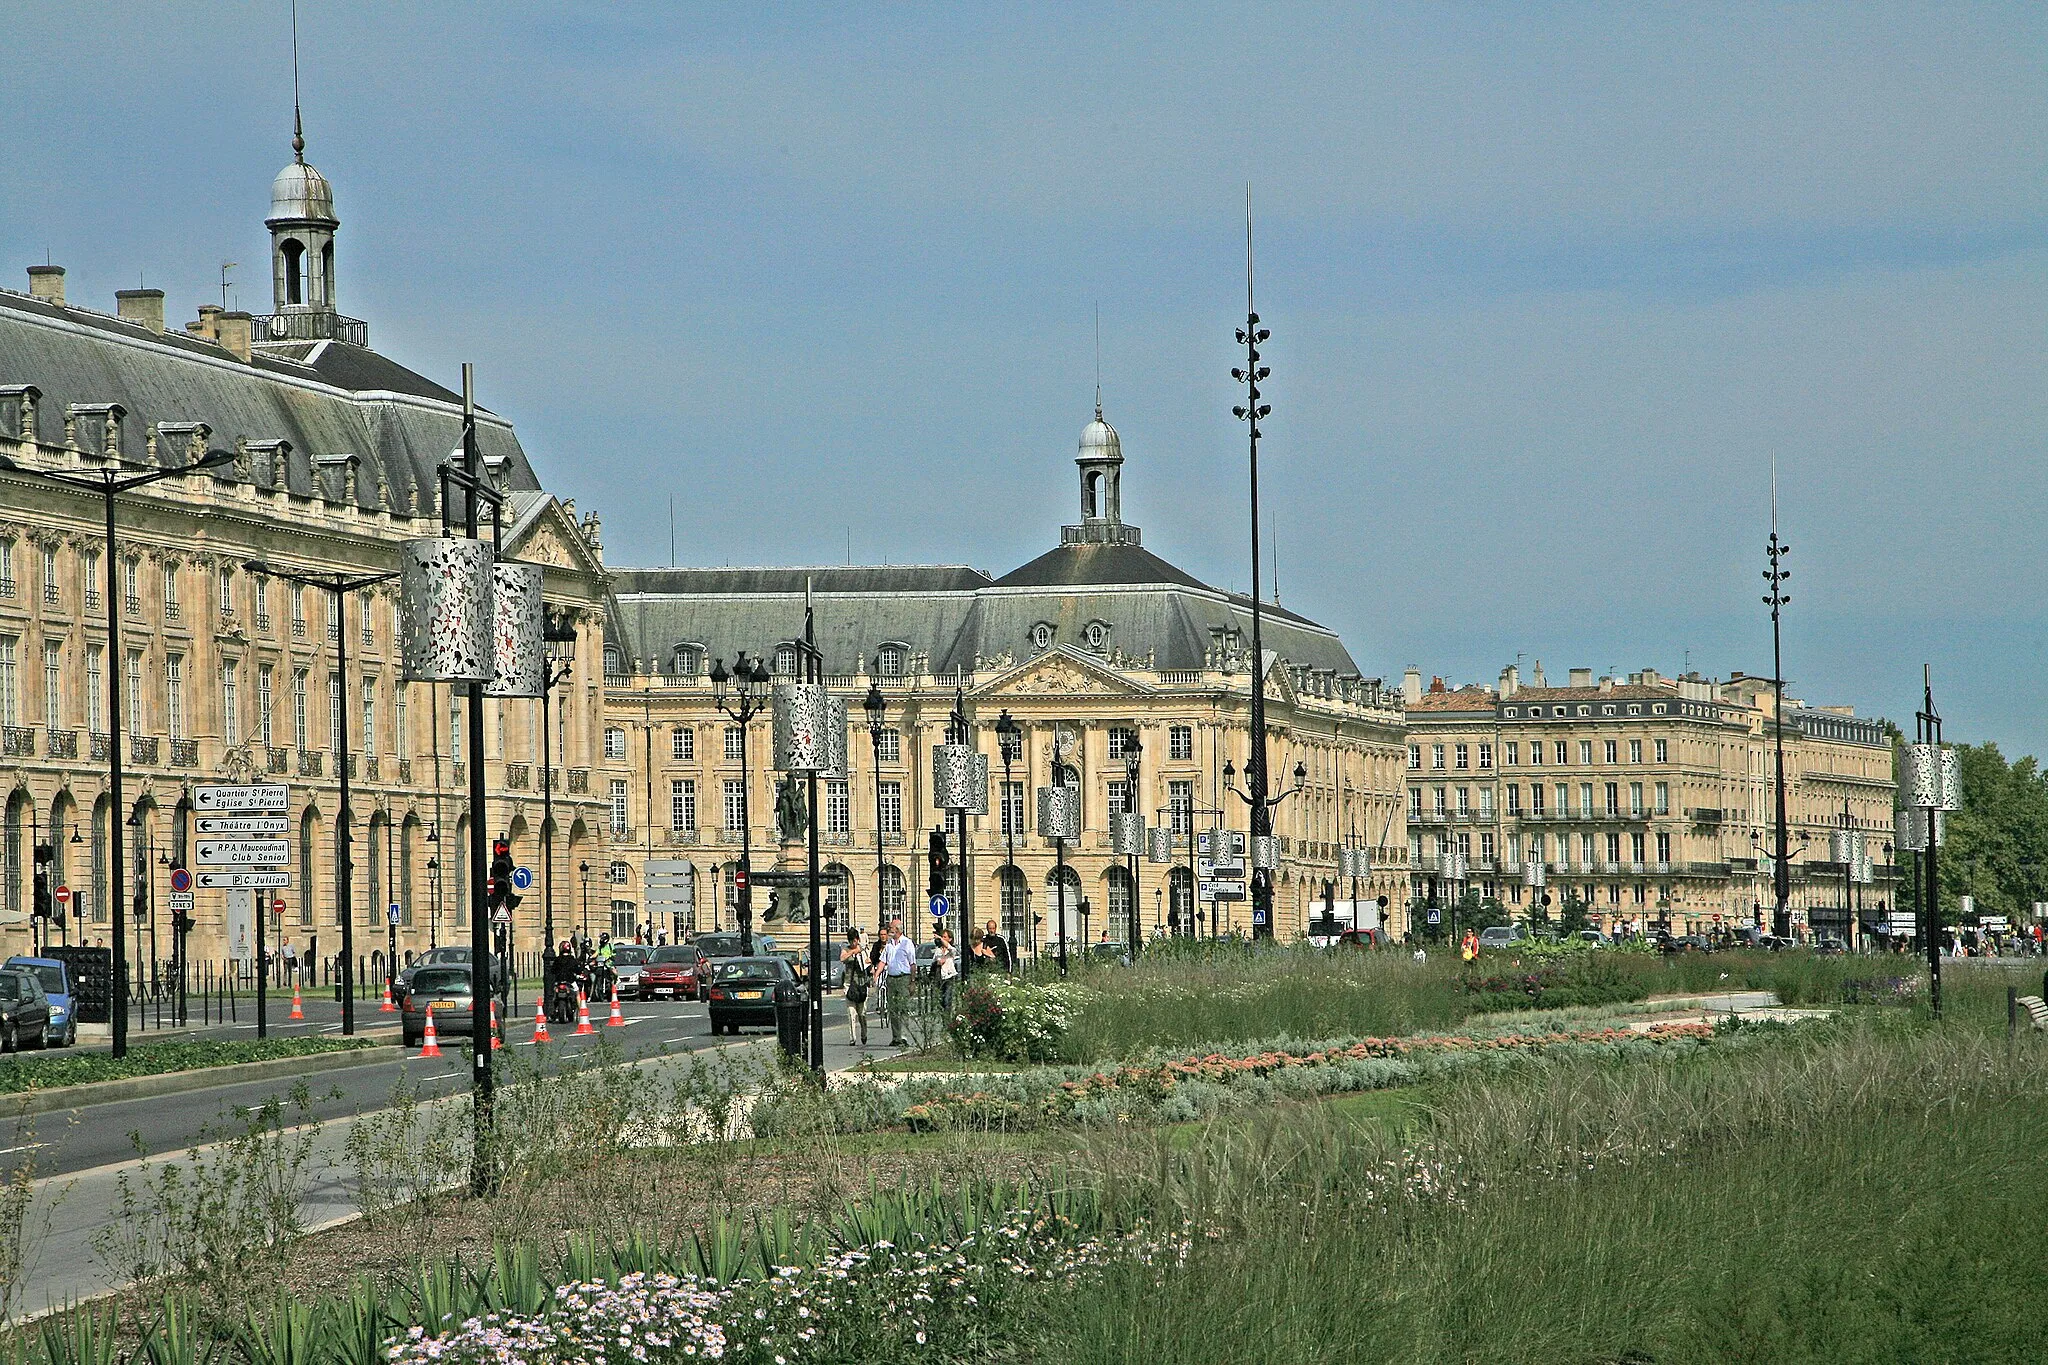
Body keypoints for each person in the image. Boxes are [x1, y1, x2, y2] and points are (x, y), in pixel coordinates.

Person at [882, 919, 916, 1047]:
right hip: (891, 979)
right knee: (893, 1009)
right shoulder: (889, 944)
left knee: (903, 1008)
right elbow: (883, 961)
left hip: (903, 978)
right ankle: (895, 1037)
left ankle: (904, 1037)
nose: (889, 929)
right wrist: (876, 975)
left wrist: (912, 982)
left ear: (898, 929)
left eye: (891, 927)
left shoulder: (907, 943)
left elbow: (913, 964)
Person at [840, 928, 870, 1047]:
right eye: (851, 941)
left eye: (855, 940)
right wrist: (853, 952)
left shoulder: (863, 950)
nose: (853, 943)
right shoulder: (846, 950)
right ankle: (852, 1038)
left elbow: (868, 964)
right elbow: (842, 958)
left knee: (862, 1013)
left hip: (862, 984)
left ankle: (864, 1032)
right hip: (849, 985)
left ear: (858, 939)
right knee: (851, 1013)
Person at [934, 929, 958, 1013]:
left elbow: (951, 949)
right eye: (942, 937)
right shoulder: (938, 950)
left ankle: (947, 1020)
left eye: (945, 937)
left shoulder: (952, 950)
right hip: (940, 977)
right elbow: (935, 960)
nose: (942, 939)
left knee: (947, 999)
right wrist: (938, 962)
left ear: (950, 939)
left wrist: (940, 938)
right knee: (940, 1000)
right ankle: (944, 1018)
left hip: (949, 976)